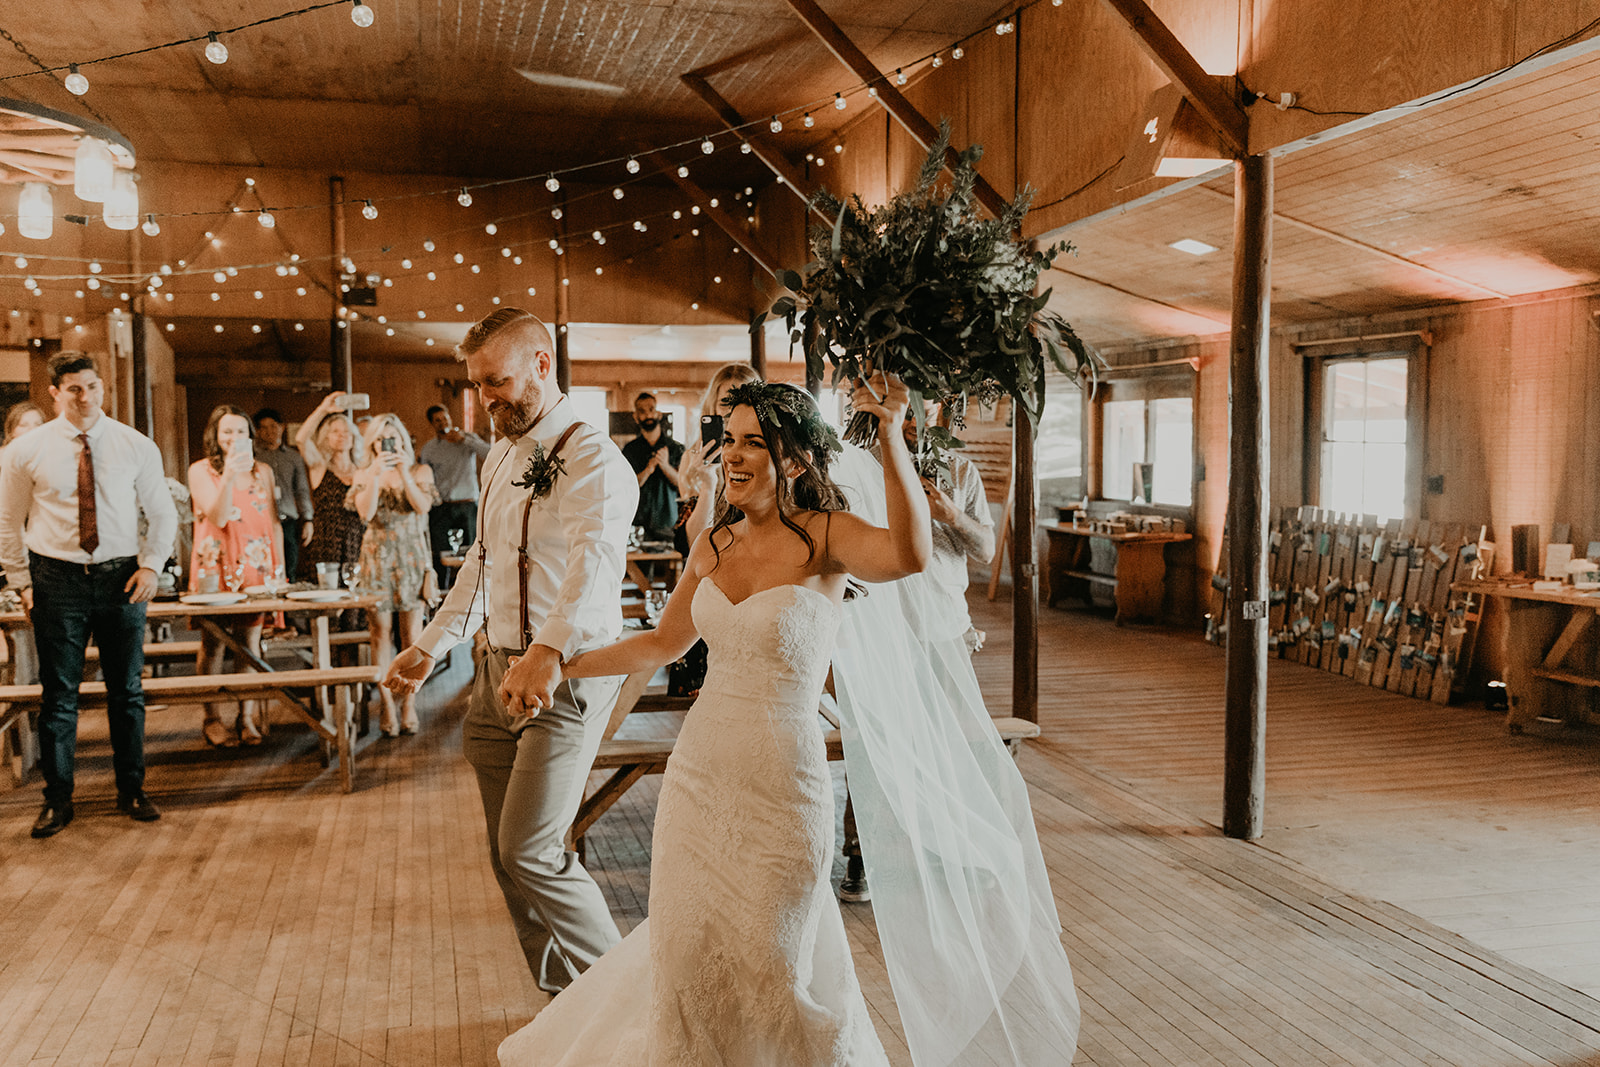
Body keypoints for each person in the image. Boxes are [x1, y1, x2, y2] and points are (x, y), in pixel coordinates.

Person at [496, 374, 932, 1065]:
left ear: (793, 458)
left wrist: (894, 436)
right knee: (689, 949)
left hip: (785, 785)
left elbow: (911, 555)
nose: (734, 454)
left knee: (772, 961)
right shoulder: (714, 542)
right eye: (728, 439)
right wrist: (558, 663)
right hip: (699, 777)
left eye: (754, 442)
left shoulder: (825, 537)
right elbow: (662, 644)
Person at [383, 308, 638, 995]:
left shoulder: (593, 456)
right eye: (476, 384)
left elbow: (595, 565)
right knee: (508, 858)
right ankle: (563, 1003)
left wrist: (548, 651)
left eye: (496, 381)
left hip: (564, 675)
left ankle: (628, 1003)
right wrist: (432, 645)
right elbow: (483, 564)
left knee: (531, 848)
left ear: (541, 365)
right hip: (493, 672)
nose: (484, 398)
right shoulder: (497, 453)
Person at [0, 352, 177, 838]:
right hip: (55, 577)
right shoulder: (24, 451)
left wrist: (150, 565)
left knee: (127, 690)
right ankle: (57, 800)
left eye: (92, 387)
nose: (86, 397)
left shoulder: (134, 445)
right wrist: (23, 583)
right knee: (59, 694)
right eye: (74, 388)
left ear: (102, 388)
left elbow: (162, 512)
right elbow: (7, 522)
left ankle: (133, 789)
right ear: (55, 392)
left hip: (121, 575)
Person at [837, 402, 997, 900]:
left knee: (949, 748)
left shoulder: (960, 470)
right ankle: (860, 856)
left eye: (922, 410)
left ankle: (950, 852)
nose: (914, 421)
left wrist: (949, 513)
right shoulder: (861, 467)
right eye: (906, 410)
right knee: (872, 744)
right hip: (880, 631)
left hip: (942, 630)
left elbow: (987, 549)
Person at [187, 405, 285, 746]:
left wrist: (279, 571)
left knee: (249, 644)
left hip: (256, 563)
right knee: (213, 642)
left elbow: (273, 523)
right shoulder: (200, 470)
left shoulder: (265, 472)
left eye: (240, 431)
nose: (233, 438)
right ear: (214, 435)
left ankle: (246, 716)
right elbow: (217, 515)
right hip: (215, 562)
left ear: (250, 436)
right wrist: (228, 474)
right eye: (226, 431)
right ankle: (212, 717)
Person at [350, 413, 438, 736]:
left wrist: (403, 472)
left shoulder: (419, 471)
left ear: (403, 439)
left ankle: (409, 704)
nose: (388, 444)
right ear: (372, 444)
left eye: (394, 438)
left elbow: (422, 507)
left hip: (412, 559)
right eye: (380, 439)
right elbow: (365, 512)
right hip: (377, 560)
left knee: (412, 636)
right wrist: (374, 475)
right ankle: (386, 704)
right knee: (380, 634)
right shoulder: (364, 473)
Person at [674, 361, 760, 547]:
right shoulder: (692, 458)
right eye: (725, 403)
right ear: (712, 408)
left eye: (742, 402)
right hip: (710, 565)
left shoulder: (767, 454)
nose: (732, 411)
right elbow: (693, 543)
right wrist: (708, 484)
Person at [293, 393, 365, 585]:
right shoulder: (320, 467)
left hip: (358, 539)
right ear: (327, 437)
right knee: (327, 600)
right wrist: (323, 409)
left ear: (353, 438)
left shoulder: (363, 470)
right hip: (326, 540)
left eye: (346, 432)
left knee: (355, 599)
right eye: (335, 431)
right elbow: (301, 438)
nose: (341, 436)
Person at [418, 402, 490, 590]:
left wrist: (466, 440)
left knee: (471, 553)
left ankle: (471, 592)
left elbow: (490, 454)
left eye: (445, 418)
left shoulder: (467, 440)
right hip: (441, 507)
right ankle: (441, 592)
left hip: (467, 505)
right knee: (441, 554)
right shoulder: (429, 449)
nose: (443, 423)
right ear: (432, 424)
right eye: (437, 421)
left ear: (450, 418)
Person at [253, 407, 314, 586]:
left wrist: (308, 519)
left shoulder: (294, 458)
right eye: (263, 428)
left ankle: (288, 612)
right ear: (257, 431)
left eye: (273, 426)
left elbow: (302, 489)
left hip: (288, 519)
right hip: (261, 519)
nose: (269, 431)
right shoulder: (254, 457)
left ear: (282, 427)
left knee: (290, 566)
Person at [620, 391, 683, 543]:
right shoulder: (629, 450)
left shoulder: (676, 448)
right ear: (636, 417)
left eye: (651, 409)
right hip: (638, 524)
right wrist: (648, 469)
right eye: (641, 411)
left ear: (658, 414)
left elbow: (684, 484)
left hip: (668, 523)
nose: (648, 415)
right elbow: (626, 486)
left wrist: (665, 466)